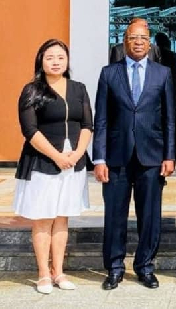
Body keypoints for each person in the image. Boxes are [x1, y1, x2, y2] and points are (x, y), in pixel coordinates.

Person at [93, 18, 176, 290]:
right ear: (124, 41)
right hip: (116, 157)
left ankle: (145, 266)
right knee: (114, 216)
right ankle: (114, 267)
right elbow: (102, 119)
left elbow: (168, 119)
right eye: (132, 38)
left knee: (149, 216)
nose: (138, 42)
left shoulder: (162, 73)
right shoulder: (109, 73)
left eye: (142, 38)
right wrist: (100, 158)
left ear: (150, 42)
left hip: (151, 157)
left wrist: (169, 155)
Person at [13, 39, 92, 294]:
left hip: (73, 162)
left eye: (60, 57)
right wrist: (58, 156)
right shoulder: (32, 90)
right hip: (43, 161)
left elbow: (88, 125)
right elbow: (30, 130)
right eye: (50, 57)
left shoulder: (79, 88)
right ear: (41, 61)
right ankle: (43, 274)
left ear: (67, 60)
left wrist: (78, 154)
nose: (56, 61)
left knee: (61, 218)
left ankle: (59, 272)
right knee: (43, 218)